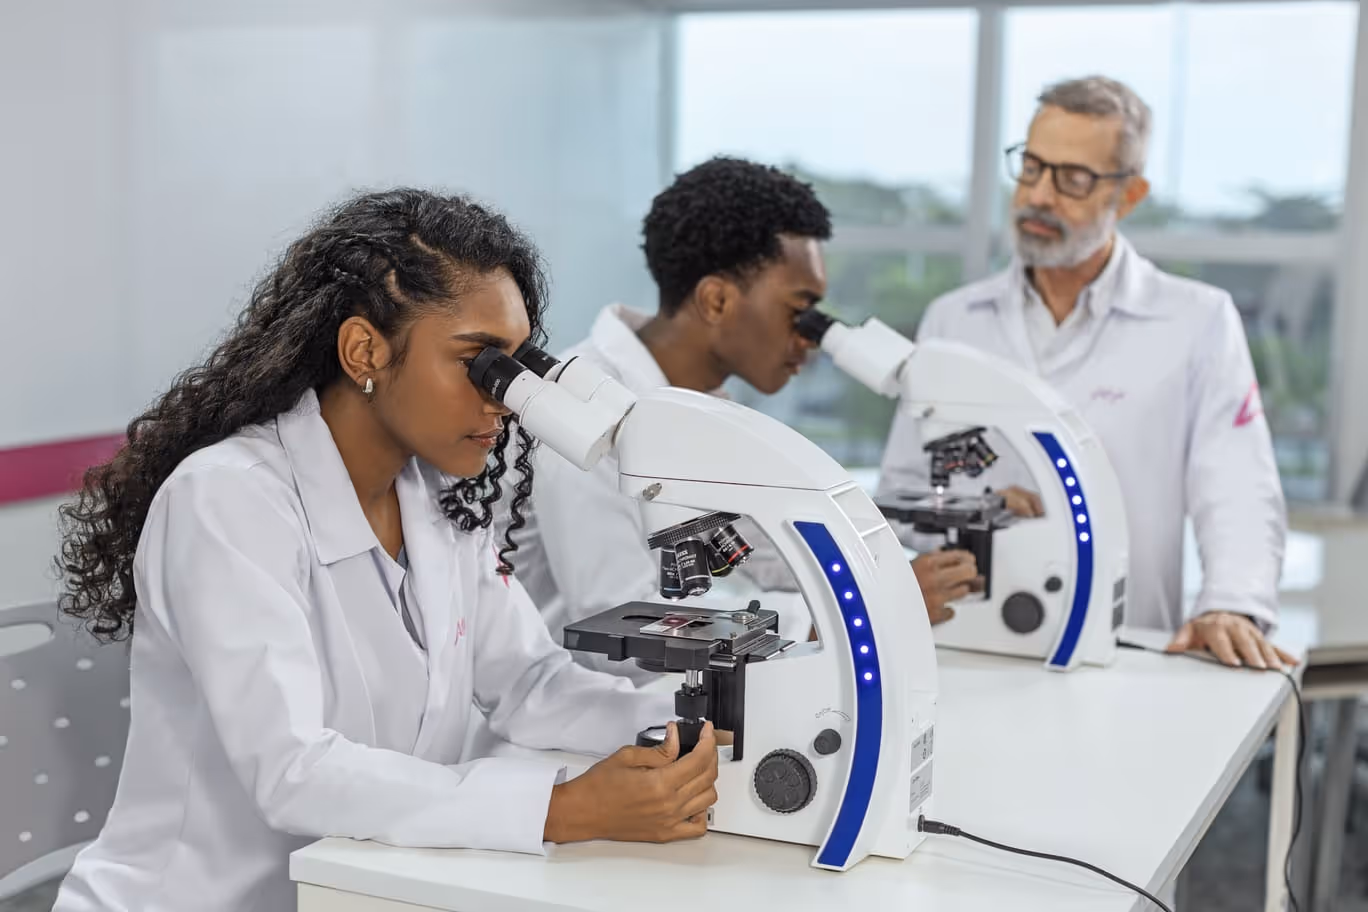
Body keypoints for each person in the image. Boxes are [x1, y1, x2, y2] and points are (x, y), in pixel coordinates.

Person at [51, 189, 719, 912]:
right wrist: (563, 809)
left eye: (515, 368)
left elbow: (529, 686)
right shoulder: (226, 500)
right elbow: (294, 769)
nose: (503, 399)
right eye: (478, 362)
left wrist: (688, 724)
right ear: (365, 350)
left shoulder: (436, 498)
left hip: (363, 891)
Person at [878, 76, 1296, 670]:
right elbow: (903, 488)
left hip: (1127, 652)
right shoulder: (953, 320)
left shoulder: (1195, 320)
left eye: (1073, 179)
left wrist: (1232, 603)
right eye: (1032, 168)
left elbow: (1237, 486)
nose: (1041, 196)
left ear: (1128, 196)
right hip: (967, 651)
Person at [506, 157, 973, 683]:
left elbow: (762, 556)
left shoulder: (702, 408)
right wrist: (857, 615)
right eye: (800, 311)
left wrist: (894, 572)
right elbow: (623, 623)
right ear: (717, 299)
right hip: (582, 723)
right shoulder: (586, 409)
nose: (810, 340)